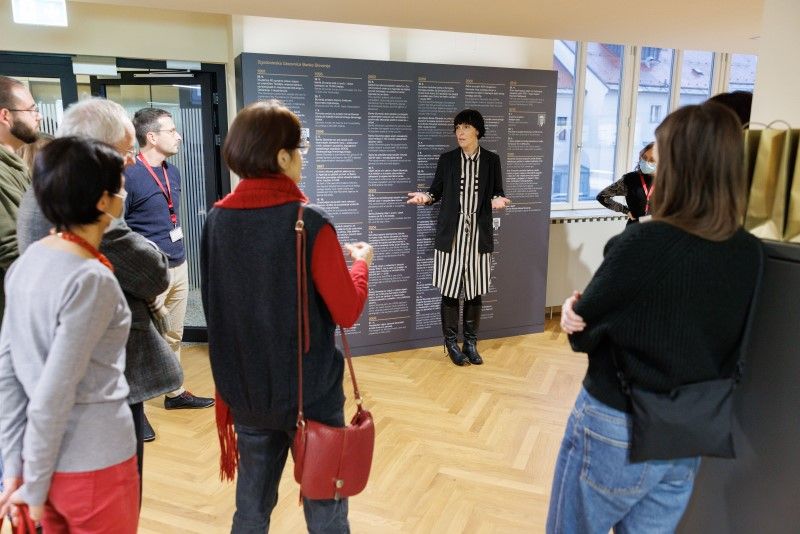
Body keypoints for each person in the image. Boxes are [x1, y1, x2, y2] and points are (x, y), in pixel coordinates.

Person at [547, 101, 763, 533]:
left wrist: (572, 311)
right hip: (690, 432)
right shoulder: (749, 253)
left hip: (618, 426)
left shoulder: (643, 244)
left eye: (659, 156)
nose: (652, 167)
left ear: (681, 164)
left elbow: (584, 333)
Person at [201, 101, 372, 533]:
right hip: (308, 393)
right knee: (326, 508)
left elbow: (219, 306)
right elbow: (347, 311)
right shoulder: (308, 221)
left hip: (247, 391)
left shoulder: (215, 220)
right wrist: (362, 265)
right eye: (301, 148)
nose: (303, 156)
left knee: (251, 510)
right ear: (281, 156)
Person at [15, 97, 182, 497]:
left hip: (72, 382)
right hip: (100, 382)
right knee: (114, 492)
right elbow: (151, 270)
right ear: (98, 149)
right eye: (124, 152)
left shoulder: (43, 190)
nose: (129, 163)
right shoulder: (87, 201)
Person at [0, 136, 139, 532]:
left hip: (38, 461)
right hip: (94, 463)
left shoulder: (26, 264)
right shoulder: (91, 279)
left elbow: (7, 375)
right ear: (101, 201)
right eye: (120, 184)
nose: (124, 192)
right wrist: (35, 486)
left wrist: (16, 470)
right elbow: (54, 392)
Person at [125, 107, 214, 411]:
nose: (179, 136)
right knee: (140, 340)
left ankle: (174, 393)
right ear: (151, 137)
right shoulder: (129, 176)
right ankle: (137, 410)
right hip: (149, 273)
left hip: (178, 263)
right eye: (172, 131)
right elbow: (118, 229)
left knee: (173, 334)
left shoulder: (171, 172)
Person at [407, 109, 510, 366]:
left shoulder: (491, 160)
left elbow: (497, 191)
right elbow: (436, 192)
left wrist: (497, 199)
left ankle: (471, 344)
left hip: (478, 234)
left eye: (464, 127)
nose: (459, 132)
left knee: (474, 291)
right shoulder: (448, 160)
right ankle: (451, 344)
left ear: (477, 130)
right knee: (451, 290)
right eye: (457, 128)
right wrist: (426, 198)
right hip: (451, 236)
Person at [0, 76, 39, 322]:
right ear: (5, 116)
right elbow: (12, 249)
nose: (38, 116)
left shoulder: (15, 165)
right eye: (32, 110)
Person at [596, 142, 655, 224]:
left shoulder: (668, 182)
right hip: (635, 229)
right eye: (644, 158)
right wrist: (625, 210)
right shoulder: (630, 179)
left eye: (652, 160)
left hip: (659, 230)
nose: (646, 162)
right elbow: (602, 196)